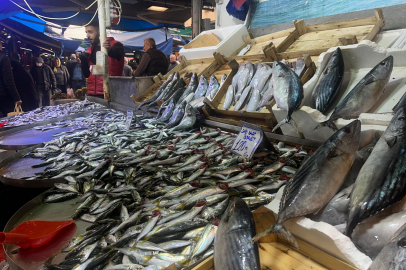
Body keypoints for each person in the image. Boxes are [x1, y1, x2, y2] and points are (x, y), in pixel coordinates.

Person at [80, 22, 124, 97]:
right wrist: (83, 60)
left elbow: (115, 53)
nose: (87, 36)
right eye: (86, 32)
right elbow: (87, 74)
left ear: (100, 32)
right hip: (92, 93)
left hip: (111, 93)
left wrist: (109, 49)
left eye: (90, 32)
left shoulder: (116, 45)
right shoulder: (90, 49)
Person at [0, 43, 22, 116]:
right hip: (3, 97)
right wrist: (17, 98)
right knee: (7, 122)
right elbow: (8, 81)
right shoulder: (3, 58)